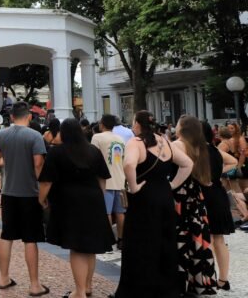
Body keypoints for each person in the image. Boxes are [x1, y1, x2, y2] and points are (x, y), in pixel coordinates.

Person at [114, 111, 193, 298]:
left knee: (140, 243)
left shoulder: (136, 142)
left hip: (144, 197)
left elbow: (128, 165)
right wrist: (172, 185)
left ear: (138, 124)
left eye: (134, 122)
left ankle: (139, 289)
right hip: (164, 197)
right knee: (165, 242)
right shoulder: (165, 141)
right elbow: (187, 164)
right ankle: (165, 287)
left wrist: (133, 187)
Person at [39, 119, 114, 298]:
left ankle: (79, 292)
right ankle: (87, 287)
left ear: (63, 133)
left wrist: (41, 199)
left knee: (76, 246)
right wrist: (98, 196)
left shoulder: (57, 152)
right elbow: (103, 178)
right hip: (93, 200)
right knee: (90, 246)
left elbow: (46, 180)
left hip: (69, 201)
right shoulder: (93, 151)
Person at [0, 101, 48, 296]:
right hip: (30, 192)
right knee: (30, 238)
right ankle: (34, 285)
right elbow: (38, 164)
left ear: (11, 117)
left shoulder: (2, 134)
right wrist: (42, 192)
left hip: (8, 192)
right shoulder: (35, 136)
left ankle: (3, 278)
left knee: (6, 235)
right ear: (29, 116)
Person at [171, 115, 217, 296]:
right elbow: (206, 180)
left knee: (180, 239)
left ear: (182, 128)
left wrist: (173, 184)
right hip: (196, 199)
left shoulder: (176, 145)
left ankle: (181, 281)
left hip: (180, 199)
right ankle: (200, 281)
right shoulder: (201, 148)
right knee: (197, 238)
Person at [201, 123, 237, 291]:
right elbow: (234, 161)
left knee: (204, 240)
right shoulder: (215, 150)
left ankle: (205, 278)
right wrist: (218, 172)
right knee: (219, 240)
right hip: (218, 194)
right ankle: (223, 279)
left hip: (205, 196)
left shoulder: (197, 151)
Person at [91, 114, 127, 249]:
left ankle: (108, 239)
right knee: (120, 212)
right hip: (120, 179)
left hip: (104, 180)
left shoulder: (97, 137)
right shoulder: (120, 139)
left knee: (106, 212)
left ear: (102, 124)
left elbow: (93, 157)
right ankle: (121, 239)